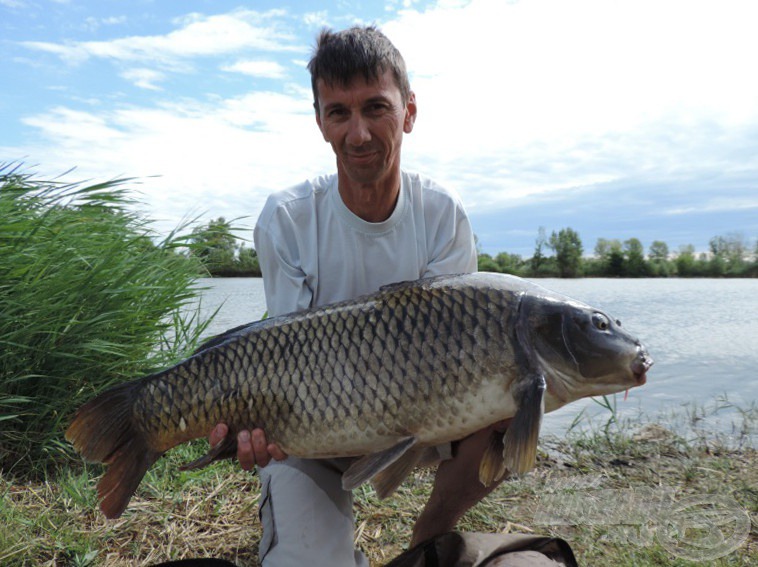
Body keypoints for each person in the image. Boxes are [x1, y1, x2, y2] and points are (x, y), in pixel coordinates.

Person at [208, 25, 514, 565]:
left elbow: (463, 355)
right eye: (339, 113)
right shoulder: (286, 218)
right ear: (320, 121)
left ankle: (430, 533)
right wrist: (256, 424)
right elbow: (282, 360)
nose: (358, 134)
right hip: (313, 430)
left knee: (515, 394)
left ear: (409, 112)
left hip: (423, 418)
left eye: (376, 108)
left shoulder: (442, 213)